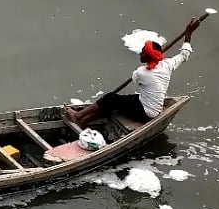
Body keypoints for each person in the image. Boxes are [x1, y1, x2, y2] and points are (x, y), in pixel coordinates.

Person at [66, 17, 201, 128]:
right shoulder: (167, 65)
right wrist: (189, 34)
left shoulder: (142, 72)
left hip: (145, 112)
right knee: (115, 101)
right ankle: (84, 120)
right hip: (150, 105)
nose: (140, 53)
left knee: (110, 98)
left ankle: (78, 116)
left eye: (143, 52)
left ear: (148, 57)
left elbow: (136, 79)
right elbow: (184, 54)